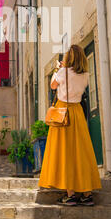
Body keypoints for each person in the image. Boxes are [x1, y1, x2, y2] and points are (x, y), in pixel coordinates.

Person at [39, 44, 102, 206]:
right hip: (77, 113)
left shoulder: (63, 72)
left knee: (64, 152)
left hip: (62, 112)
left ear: (69, 57)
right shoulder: (86, 75)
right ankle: (87, 194)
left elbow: (53, 85)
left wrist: (57, 69)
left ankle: (71, 194)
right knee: (81, 151)